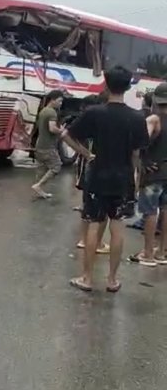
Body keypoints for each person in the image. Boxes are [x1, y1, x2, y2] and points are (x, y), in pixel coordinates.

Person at [62, 65, 149, 293]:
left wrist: (86, 154)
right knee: (117, 229)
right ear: (129, 85)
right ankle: (111, 280)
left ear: (106, 84)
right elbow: (137, 155)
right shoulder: (137, 117)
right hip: (123, 179)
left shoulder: (95, 113)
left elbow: (67, 135)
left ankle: (87, 278)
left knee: (93, 225)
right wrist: (137, 181)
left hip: (98, 177)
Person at [129, 83, 167, 267]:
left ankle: (148, 253)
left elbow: (139, 143)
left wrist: (140, 164)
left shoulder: (154, 119)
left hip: (154, 173)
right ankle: (162, 252)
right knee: (166, 210)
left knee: (150, 212)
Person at [75, 94, 110, 254]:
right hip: (90, 166)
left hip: (86, 165)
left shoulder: (86, 122)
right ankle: (91, 241)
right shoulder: (92, 123)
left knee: (87, 205)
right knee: (94, 207)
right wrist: (87, 154)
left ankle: (84, 239)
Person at [32, 90, 65, 198]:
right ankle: (39, 185)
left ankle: (39, 190)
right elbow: (52, 128)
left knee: (41, 168)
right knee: (56, 166)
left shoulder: (43, 111)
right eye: (59, 101)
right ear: (53, 100)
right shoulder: (52, 112)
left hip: (39, 145)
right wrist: (61, 130)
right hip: (48, 146)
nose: (61, 103)